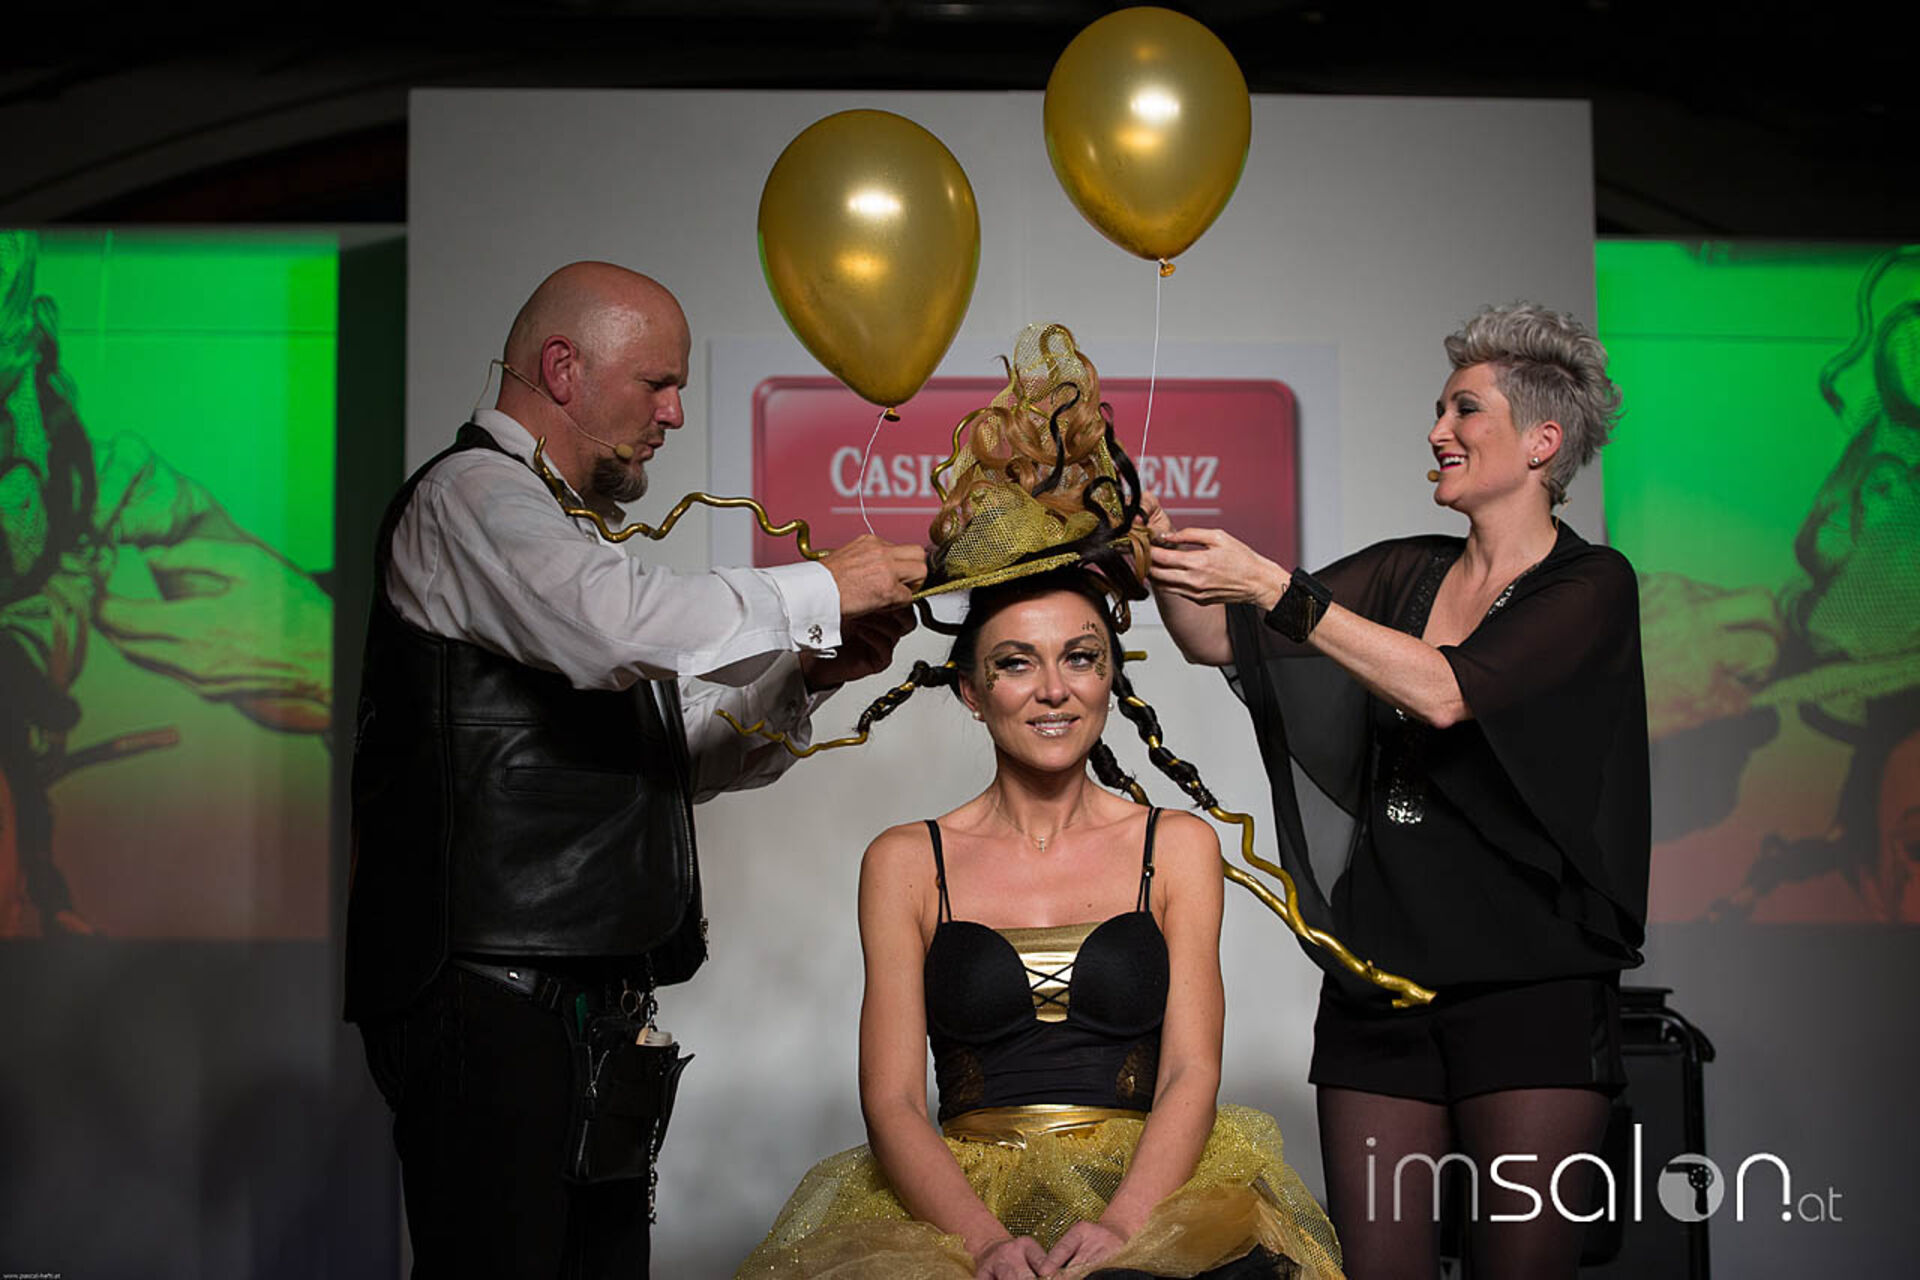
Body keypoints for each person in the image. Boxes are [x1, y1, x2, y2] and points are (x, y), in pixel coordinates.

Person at [343, 261, 926, 1277]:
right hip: (492, 1004)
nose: (673, 413)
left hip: (581, 1010)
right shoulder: (471, 492)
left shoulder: (554, 531)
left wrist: (807, 670)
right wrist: (817, 587)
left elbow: (664, 759)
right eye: (657, 383)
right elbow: (616, 626)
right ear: (561, 368)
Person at [737, 324, 1344, 1280]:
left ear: (1110, 679)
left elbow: (1192, 1072)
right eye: (1017, 663)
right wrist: (984, 1242)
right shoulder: (905, 861)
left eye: (1081, 658)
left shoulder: (1178, 846)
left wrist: (1124, 1229)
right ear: (972, 692)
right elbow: (892, 1100)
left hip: (1147, 1198)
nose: (1054, 690)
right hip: (959, 1216)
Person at [1145, 303, 1649, 1279]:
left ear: (1543, 442)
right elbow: (1211, 636)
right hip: (1376, 987)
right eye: (1438, 409)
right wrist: (1149, 538)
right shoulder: (1405, 571)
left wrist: (1273, 584)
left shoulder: (1591, 585)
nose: (1437, 431)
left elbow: (1448, 690)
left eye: (1465, 409)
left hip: (1532, 994)